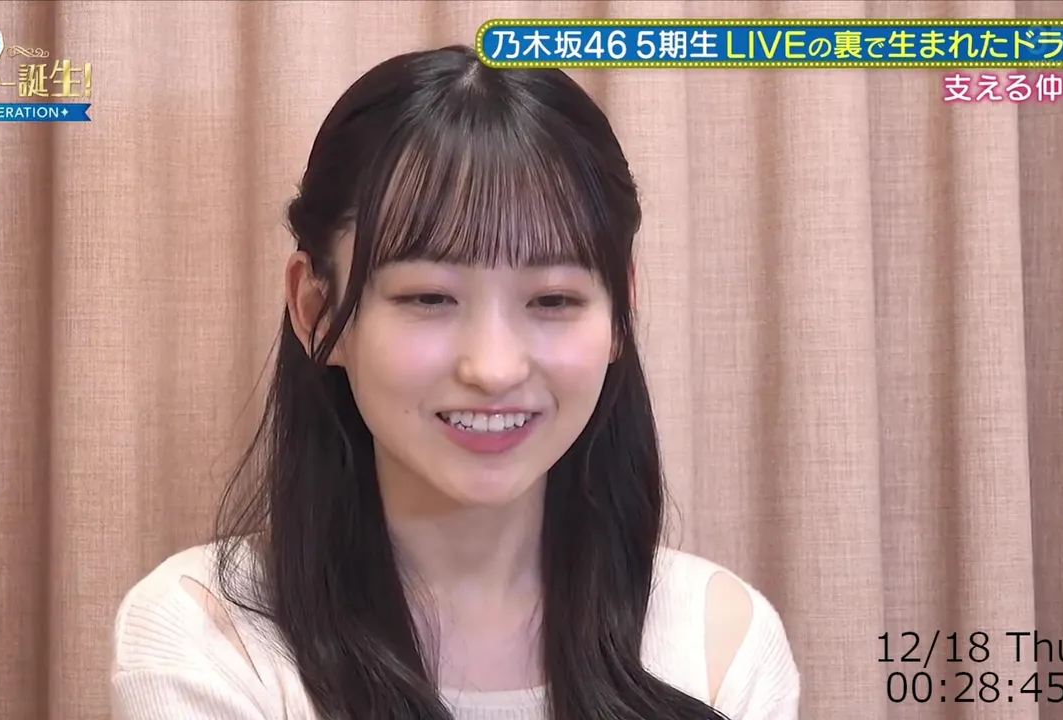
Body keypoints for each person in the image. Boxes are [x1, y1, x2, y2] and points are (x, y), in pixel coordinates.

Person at [110, 44, 800, 720]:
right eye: (429, 298)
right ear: (317, 313)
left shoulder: (718, 645)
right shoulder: (209, 639)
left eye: (553, 300)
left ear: (621, 312)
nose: (493, 368)